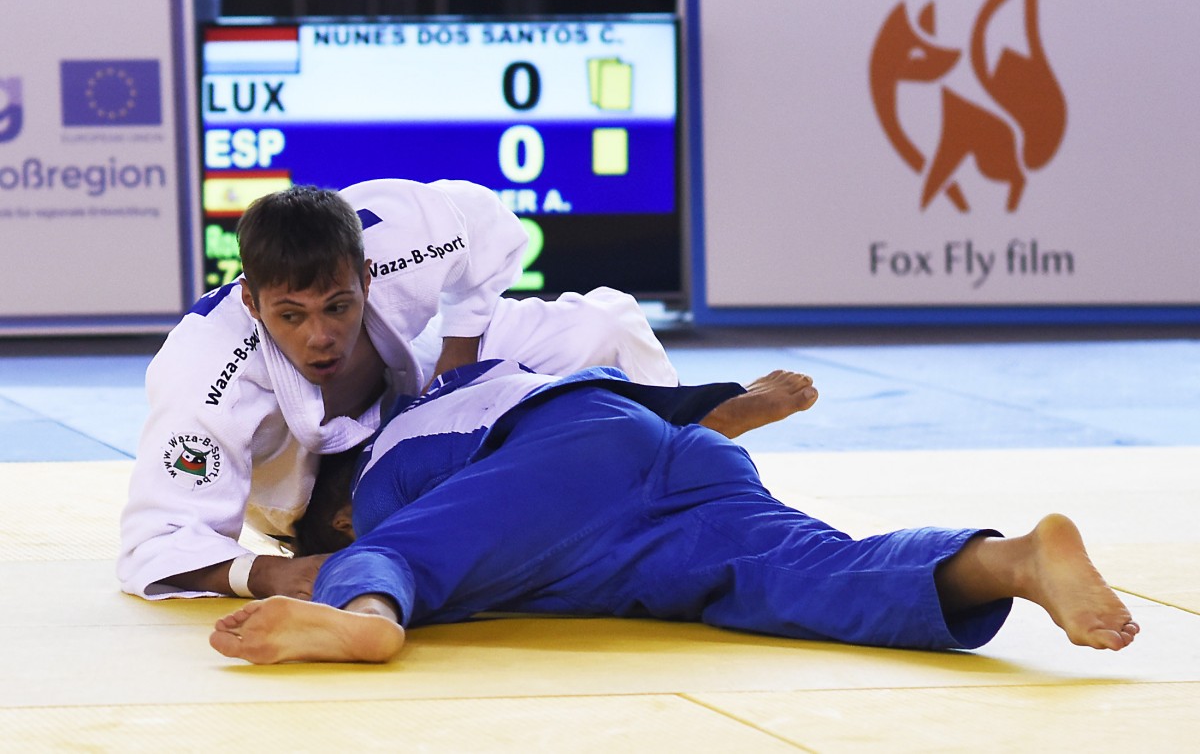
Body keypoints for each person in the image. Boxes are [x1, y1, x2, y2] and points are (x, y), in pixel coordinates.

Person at [208, 360, 1138, 664]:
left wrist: (353, 566)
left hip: (565, 459)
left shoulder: (384, 470)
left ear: (330, 515)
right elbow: (630, 420)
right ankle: (1010, 560)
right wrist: (730, 411)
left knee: (406, 551)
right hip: (665, 466)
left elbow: (437, 529)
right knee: (807, 574)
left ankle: (361, 620)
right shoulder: (484, 375)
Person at [119, 179, 689, 602]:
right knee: (401, 542)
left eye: (337, 307)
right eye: (290, 315)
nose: (320, 338)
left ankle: (684, 463)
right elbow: (156, 539)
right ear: (251, 302)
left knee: (601, 329)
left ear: (367, 276)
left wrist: (457, 357)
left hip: (413, 371)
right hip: (301, 478)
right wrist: (265, 574)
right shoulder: (207, 378)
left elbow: (486, 225)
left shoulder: (401, 235)